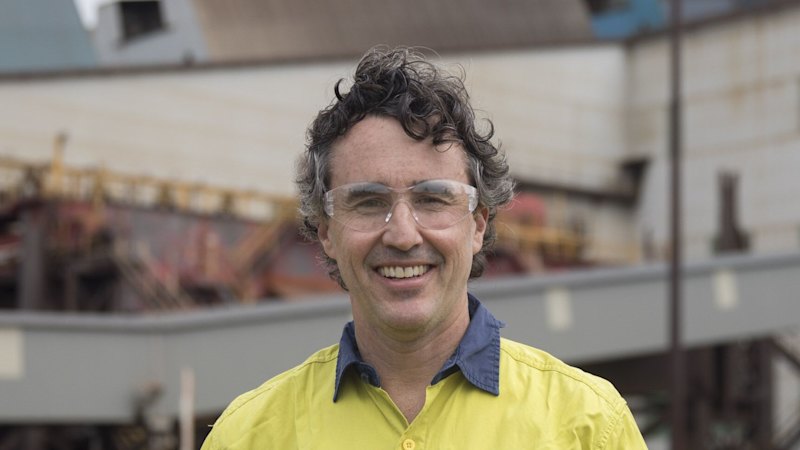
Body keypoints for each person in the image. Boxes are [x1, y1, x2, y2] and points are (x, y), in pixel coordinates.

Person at [201, 46, 648, 449]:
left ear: (478, 224)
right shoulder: (246, 438)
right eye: (368, 202)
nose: (403, 235)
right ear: (325, 232)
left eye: (432, 199)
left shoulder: (589, 428)